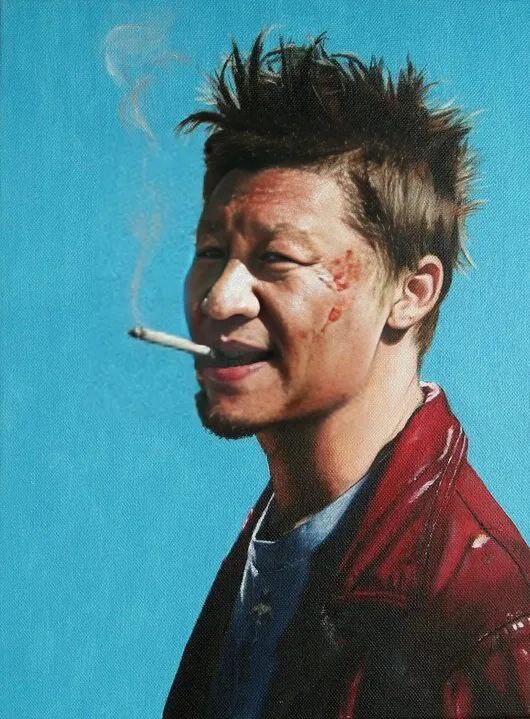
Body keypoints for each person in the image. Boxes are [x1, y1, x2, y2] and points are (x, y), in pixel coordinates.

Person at [163, 31, 529, 719]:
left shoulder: (486, 623)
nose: (218, 299)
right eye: (211, 252)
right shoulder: (278, 541)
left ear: (411, 293)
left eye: (277, 258)